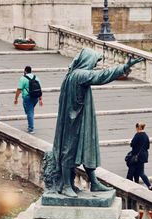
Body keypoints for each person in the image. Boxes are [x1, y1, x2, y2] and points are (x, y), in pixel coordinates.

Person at [45, 48, 144, 198]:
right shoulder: (80, 75)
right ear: (87, 61)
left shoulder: (72, 75)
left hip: (80, 120)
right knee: (69, 151)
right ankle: (66, 185)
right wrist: (123, 67)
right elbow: (102, 76)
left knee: (87, 149)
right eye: (94, 62)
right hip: (74, 123)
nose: (94, 66)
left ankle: (93, 182)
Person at [14, 66, 43, 134]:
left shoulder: (23, 78)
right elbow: (39, 89)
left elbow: (19, 89)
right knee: (29, 110)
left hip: (27, 97)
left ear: (25, 71)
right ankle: (30, 120)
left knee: (29, 112)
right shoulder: (36, 77)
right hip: (35, 97)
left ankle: (31, 128)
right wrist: (40, 99)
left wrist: (16, 98)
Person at [126, 122, 152, 191]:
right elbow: (148, 147)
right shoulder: (146, 136)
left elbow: (132, 144)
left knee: (131, 172)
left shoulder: (137, 135)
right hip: (143, 157)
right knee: (141, 173)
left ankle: (130, 186)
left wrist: (130, 143)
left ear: (138, 128)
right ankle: (149, 186)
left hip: (136, 156)